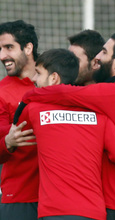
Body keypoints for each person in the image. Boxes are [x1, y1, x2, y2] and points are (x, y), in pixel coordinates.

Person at [20, 32, 115, 220]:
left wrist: (27, 97)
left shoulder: (107, 94)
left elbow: (64, 94)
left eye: (103, 53)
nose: (98, 56)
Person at [0, 20, 38, 220]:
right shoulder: (1, 92)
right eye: (0, 48)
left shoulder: (56, 80)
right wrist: (7, 143)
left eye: (8, 47)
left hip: (62, 200)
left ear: (28, 47)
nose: (2, 56)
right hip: (19, 199)